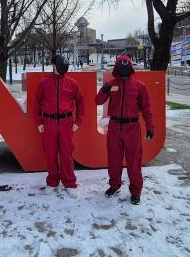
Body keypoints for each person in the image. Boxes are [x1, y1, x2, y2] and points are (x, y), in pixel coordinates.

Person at [95, 54, 154, 205]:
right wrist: (105, 90)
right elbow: (98, 101)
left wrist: (150, 127)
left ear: (130, 67)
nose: (123, 68)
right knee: (114, 160)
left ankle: (135, 191)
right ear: (116, 68)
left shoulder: (139, 86)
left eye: (126, 65)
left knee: (134, 162)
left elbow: (147, 108)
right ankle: (114, 186)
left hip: (132, 127)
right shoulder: (111, 84)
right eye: (120, 66)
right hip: (114, 126)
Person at [33, 55, 85, 197]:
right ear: (54, 65)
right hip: (49, 123)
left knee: (66, 154)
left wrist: (77, 122)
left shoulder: (72, 83)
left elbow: (80, 102)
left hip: (66, 123)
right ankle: (52, 182)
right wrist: (39, 122)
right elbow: (37, 103)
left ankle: (70, 183)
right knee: (50, 153)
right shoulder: (44, 83)